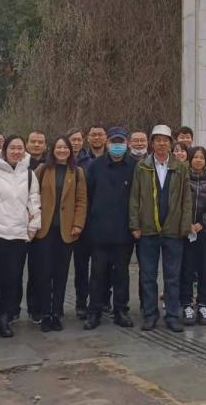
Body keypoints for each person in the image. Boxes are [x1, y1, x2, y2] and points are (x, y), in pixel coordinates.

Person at [0, 135, 41, 340]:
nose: (16, 151)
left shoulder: (29, 175)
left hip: (17, 235)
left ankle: (5, 317)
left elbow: (34, 202)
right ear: (4, 150)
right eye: (12, 148)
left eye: (19, 148)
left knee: (12, 279)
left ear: (24, 150)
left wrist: (34, 225)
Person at [129, 124, 192, 332]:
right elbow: (135, 198)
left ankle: (172, 315)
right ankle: (150, 314)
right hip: (148, 230)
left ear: (171, 143)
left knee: (172, 276)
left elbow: (186, 200)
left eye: (165, 140)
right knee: (148, 276)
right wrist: (135, 225)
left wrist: (184, 226)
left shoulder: (180, 168)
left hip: (173, 230)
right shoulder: (142, 167)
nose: (162, 144)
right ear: (152, 143)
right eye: (158, 140)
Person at [84, 127, 137, 330]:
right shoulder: (95, 166)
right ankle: (94, 311)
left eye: (121, 142)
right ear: (107, 143)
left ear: (127, 144)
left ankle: (121, 310)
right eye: (114, 142)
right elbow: (88, 195)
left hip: (124, 232)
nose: (117, 146)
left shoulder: (134, 166)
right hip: (99, 231)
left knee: (121, 274)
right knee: (98, 274)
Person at [34, 135, 87, 332]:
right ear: (53, 149)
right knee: (44, 273)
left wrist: (78, 224)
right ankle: (44, 313)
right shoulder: (42, 170)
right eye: (59, 147)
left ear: (70, 151)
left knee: (61, 273)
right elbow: (32, 197)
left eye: (66, 148)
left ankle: (57, 313)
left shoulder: (77, 172)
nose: (62, 151)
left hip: (66, 230)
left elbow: (81, 201)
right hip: (44, 229)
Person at [179, 147, 206, 325]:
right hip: (186, 231)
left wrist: (202, 223)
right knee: (187, 269)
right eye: (195, 157)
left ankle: (203, 304)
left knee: (205, 269)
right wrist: (187, 223)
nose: (198, 160)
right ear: (189, 160)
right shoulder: (182, 178)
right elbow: (177, 202)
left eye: (202, 157)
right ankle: (186, 304)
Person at [74, 124, 108, 319]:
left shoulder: (112, 160)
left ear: (105, 137)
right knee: (81, 266)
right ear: (88, 138)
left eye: (100, 134)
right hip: (83, 222)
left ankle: (101, 301)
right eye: (93, 135)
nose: (96, 138)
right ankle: (81, 302)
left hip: (103, 223)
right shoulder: (79, 161)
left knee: (101, 266)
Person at [21, 130, 48, 323]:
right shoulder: (19, 163)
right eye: (33, 141)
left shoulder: (50, 165)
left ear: (45, 145)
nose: (37, 145)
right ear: (27, 144)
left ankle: (35, 307)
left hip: (42, 224)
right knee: (14, 269)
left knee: (38, 269)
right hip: (18, 222)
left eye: (40, 142)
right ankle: (11, 308)